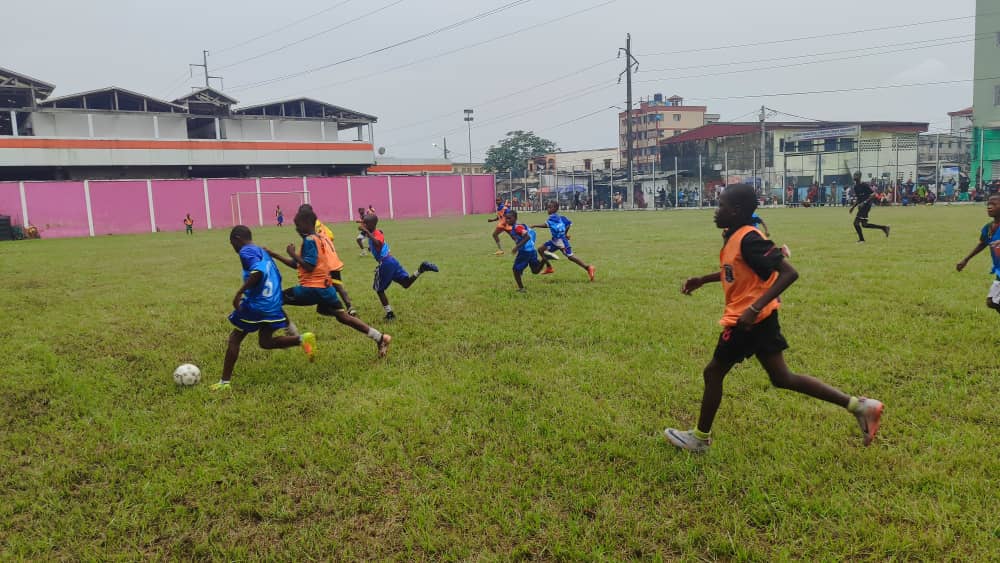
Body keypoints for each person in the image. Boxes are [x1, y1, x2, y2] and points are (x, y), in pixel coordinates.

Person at [663, 184, 884, 452]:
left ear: (736, 211)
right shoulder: (734, 235)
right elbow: (736, 270)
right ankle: (859, 406)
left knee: (713, 371)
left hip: (748, 321)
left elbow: (789, 272)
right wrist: (703, 279)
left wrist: (754, 308)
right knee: (782, 377)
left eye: (720, 205)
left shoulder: (749, 238)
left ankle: (699, 438)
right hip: (760, 319)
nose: (715, 210)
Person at [267, 207, 391, 357]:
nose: (297, 228)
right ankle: (380, 337)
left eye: (298, 225)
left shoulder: (309, 240)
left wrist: (292, 253)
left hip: (312, 288)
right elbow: (297, 264)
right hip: (327, 289)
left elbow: (309, 266)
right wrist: (275, 255)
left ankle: (291, 330)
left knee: (275, 299)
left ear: (307, 223)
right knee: (342, 316)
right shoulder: (319, 238)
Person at [214, 226, 316, 391]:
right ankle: (302, 339)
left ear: (237, 239)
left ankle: (224, 383)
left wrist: (239, 293)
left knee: (235, 339)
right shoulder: (262, 252)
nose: (233, 247)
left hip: (257, 304)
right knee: (266, 342)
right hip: (273, 303)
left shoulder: (245, 251)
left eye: (232, 243)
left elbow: (258, 273)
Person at [359, 213, 438, 321]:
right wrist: (364, 226)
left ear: (372, 225)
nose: (363, 225)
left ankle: (390, 314)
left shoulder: (378, 233)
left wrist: (367, 231)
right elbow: (370, 237)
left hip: (386, 263)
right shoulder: (371, 232)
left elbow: (378, 243)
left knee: (379, 289)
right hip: (392, 261)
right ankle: (421, 269)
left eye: (365, 223)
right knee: (406, 283)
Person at [301, 204, 356, 316]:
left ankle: (338, 309)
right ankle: (349, 306)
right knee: (336, 283)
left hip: (325, 260)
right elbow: (331, 236)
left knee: (327, 284)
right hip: (333, 257)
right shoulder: (319, 223)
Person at [956, 194, 1000, 315]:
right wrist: (966, 260)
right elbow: (982, 244)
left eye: (994, 204)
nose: (989, 207)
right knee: (992, 302)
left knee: (994, 301)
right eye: (988, 205)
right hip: (999, 270)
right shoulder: (988, 227)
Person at [531, 200, 595, 282]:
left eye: (550, 207)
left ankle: (588, 268)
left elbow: (546, 225)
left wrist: (535, 225)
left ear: (555, 208)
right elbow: (568, 224)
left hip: (561, 242)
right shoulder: (561, 218)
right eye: (547, 207)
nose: (548, 209)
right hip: (555, 241)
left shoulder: (552, 217)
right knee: (540, 249)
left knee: (570, 257)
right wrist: (565, 233)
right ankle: (549, 267)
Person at [505, 210, 551, 292]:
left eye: (509, 218)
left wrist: (517, 247)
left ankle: (521, 288)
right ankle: (544, 259)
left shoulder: (517, 227)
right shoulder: (521, 225)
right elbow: (531, 234)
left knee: (515, 270)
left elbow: (527, 237)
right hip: (532, 250)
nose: (507, 220)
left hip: (525, 252)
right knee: (535, 271)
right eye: (506, 218)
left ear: (515, 218)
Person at [848, 171, 890, 243]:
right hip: (862, 207)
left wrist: (864, 202)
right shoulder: (855, 187)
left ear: (859, 176)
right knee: (865, 225)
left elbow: (873, 194)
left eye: (856, 175)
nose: (854, 176)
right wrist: (853, 207)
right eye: (854, 175)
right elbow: (859, 198)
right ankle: (884, 228)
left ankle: (861, 240)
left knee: (856, 223)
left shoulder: (864, 185)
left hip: (866, 205)